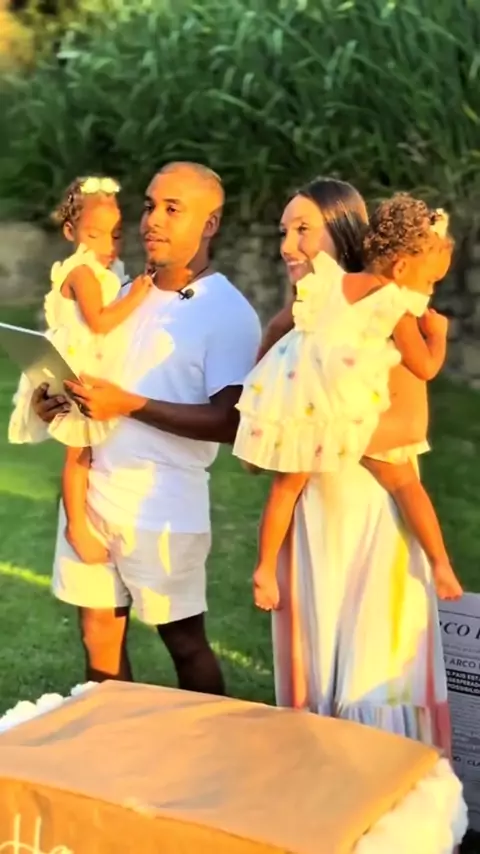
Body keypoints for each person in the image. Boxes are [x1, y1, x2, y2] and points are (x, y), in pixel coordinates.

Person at [26, 161, 261, 693]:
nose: (152, 219)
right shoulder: (124, 291)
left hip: (162, 507)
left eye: (173, 209)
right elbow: (95, 375)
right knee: (99, 638)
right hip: (92, 499)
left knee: (185, 644)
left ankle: (210, 742)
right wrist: (58, 400)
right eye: (151, 205)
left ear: (210, 223)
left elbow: (231, 422)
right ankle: (113, 743)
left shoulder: (227, 311)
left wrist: (127, 404)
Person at [252, 177, 452, 754]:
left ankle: (375, 773)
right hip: (315, 516)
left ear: (342, 232)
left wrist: (328, 434)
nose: (287, 245)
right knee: (318, 652)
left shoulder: (382, 310)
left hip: (370, 517)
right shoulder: (313, 311)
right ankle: (316, 777)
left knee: (369, 657)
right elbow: (268, 389)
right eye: (283, 231)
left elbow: (409, 425)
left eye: (303, 230)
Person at [233, 193, 462, 605]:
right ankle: (441, 563)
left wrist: (262, 366)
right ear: (402, 268)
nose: (429, 292)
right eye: (430, 282)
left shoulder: (325, 282)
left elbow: (280, 326)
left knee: (286, 486)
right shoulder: (394, 305)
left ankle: (264, 569)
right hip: (351, 409)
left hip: (307, 402)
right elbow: (425, 367)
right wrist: (438, 336)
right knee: (404, 481)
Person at [9, 175, 150, 448]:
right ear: (70, 232)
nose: (108, 245)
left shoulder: (106, 271)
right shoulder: (83, 272)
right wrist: (136, 295)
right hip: (81, 362)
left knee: (98, 442)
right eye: (94, 235)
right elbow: (99, 322)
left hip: (95, 357)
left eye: (116, 235)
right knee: (86, 437)